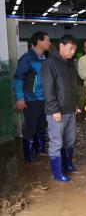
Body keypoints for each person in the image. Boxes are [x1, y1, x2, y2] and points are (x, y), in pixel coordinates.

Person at [42, 34, 78, 182]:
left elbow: (71, 87)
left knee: (70, 140)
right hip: (56, 112)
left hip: (70, 109)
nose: (73, 52)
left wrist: (75, 104)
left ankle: (68, 165)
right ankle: (57, 173)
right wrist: (54, 109)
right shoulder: (50, 63)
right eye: (71, 49)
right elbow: (48, 89)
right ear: (61, 46)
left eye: (75, 49)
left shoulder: (70, 63)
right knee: (57, 142)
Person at [13, 31, 51, 162]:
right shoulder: (27, 58)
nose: (49, 43)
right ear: (40, 42)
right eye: (47, 40)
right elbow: (18, 78)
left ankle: (40, 150)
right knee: (30, 127)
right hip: (31, 99)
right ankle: (28, 156)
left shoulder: (44, 58)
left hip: (44, 99)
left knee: (41, 126)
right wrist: (20, 97)